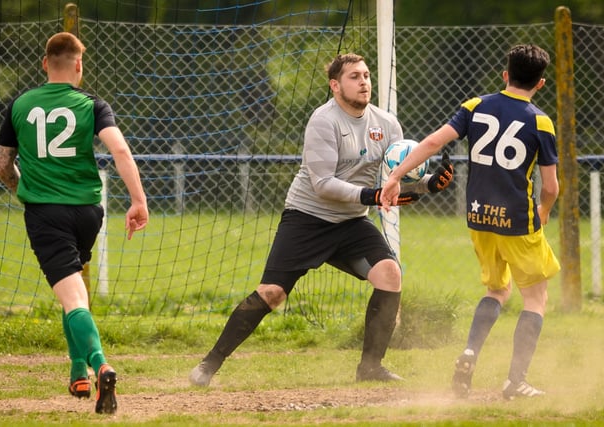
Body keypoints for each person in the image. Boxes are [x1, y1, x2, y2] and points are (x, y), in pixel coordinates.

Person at [188, 53, 453, 387]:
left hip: (352, 223)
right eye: (354, 76)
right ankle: (210, 363)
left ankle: (370, 367)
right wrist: (371, 196)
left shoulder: (387, 124)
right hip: (307, 219)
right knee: (272, 293)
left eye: (367, 75)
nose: (364, 82)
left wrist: (429, 185)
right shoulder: (323, 121)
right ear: (335, 85)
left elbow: (391, 185)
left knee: (390, 274)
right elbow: (323, 185)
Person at [381, 44, 560, 400]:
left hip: (478, 216)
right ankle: (515, 381)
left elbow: (433, 141)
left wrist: (396, 176)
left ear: (505, 74)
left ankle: (469, 353)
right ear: (541, 83)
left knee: (497, 290)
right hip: (517, 221)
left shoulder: (474, 106)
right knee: (535, 299)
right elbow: (551, 187)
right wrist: (542, 212)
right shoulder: (541, 121)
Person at [0, 32, 149, 414]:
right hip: (87, 213)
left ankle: (100, 366)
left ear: (45, 63)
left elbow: (1, 166)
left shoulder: (19, 105)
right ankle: (78, 371)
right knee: (73, 291)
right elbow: (120, 150)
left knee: (73, 297)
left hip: (46, 213)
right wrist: (138, 200)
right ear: (79, 64)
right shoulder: (93, 105)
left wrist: (24, 187)